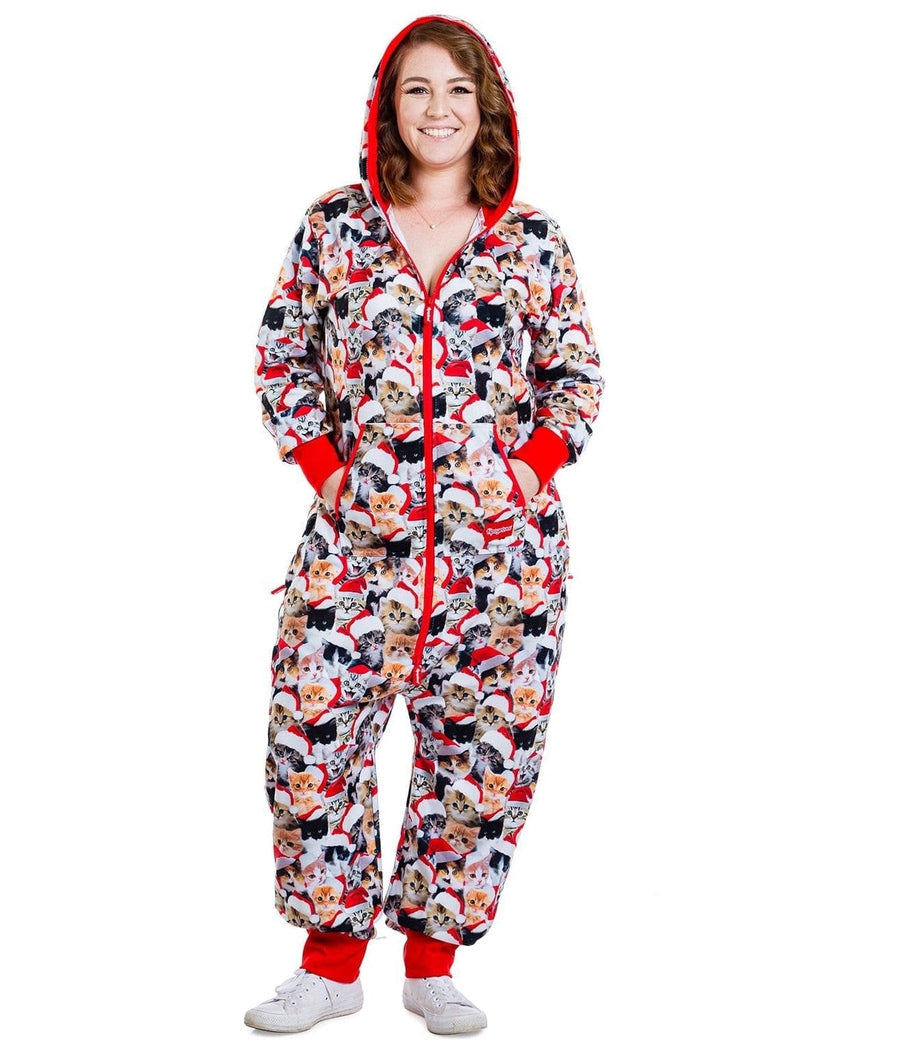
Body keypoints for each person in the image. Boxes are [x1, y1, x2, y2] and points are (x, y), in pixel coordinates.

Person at [246, 14, 603, 1036]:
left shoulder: (531, 239)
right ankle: (329, 969)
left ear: (488, 107)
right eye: (416, 89)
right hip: (355, 552)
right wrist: (329, 474)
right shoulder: (336, 226)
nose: (437, 109)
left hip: (504, 566)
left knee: (479, 764)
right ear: (385, 107)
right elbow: (281, 356)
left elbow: (575, 376)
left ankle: (432, 968)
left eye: (458, 89)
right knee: (309, 746)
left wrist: (528, 473)